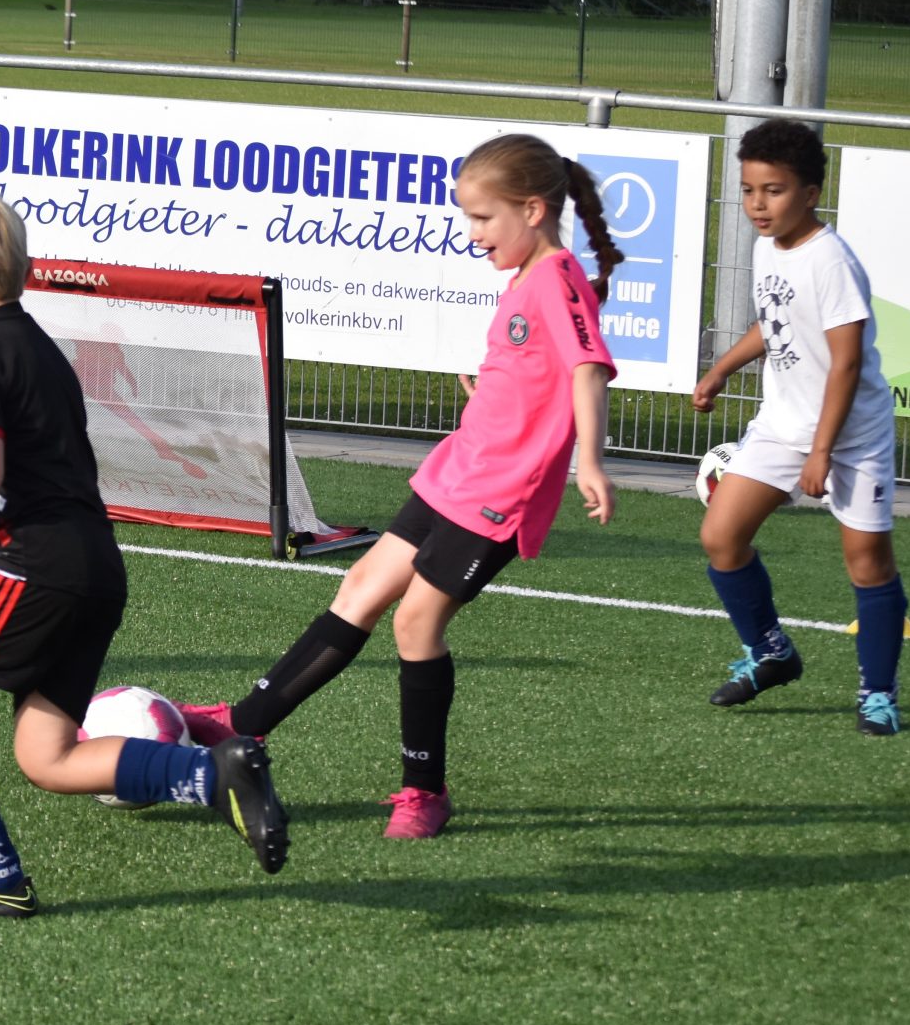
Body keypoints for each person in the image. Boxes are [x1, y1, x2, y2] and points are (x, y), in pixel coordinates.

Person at [0, 190, 290, 917]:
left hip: (33, 569)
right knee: (46, 754)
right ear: (22, 267)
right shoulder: (38, 347)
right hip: (93, 567)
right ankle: (210, 775)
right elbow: (42, 471)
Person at [184, 133, 619, 839]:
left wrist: (590, 462)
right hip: (458, 469)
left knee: (416, 622)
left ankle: (424, 792)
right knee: (360, 586)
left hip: (500, 494)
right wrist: (496, 396)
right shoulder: (524, 275)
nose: (473, 233)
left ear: (533, 210)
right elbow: (535, 372)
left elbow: (588, 368)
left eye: (483, 217)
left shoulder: (557, 277)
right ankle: (244, 722)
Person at [691, 118, 906, 735]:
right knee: (721, 536)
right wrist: (722, 369)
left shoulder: (831, 261)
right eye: (749, 190)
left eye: (774, 190)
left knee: (867, 562)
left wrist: (822, 452)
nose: (758, 204)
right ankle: (772, 653)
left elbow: (846, 362)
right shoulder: (769, 246)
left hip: (852, 437)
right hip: (782, 426)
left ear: (811, 193)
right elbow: (775, 322)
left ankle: (878, 694)